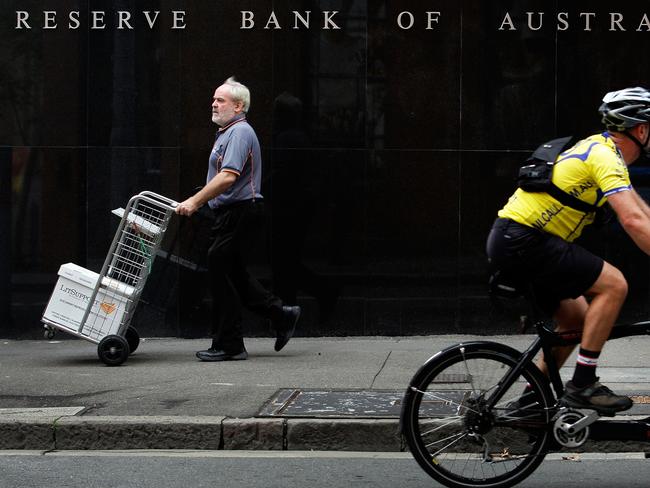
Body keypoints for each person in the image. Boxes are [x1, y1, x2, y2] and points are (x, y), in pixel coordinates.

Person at [487, 86, 650, 415]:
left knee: (576, 320)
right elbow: (632, 220)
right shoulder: (604, 157)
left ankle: (531, 402)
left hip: (518, 240)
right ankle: (582, 385)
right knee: (614, 284)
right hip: (523, 239)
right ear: (641, 129)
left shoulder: (603, 151)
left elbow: (641, 211)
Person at [175, 76, 301, 361]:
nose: (214, 104)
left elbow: (228, 176)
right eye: (214, 99)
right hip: (233, 212)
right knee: (231, 274)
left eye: (221, 100)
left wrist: (195, 201)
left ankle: (231, 344)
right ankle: (281, 315)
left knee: (220, 273)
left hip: (241, 212)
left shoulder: (240, 132)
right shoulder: (227, 133)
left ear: (239, 105)